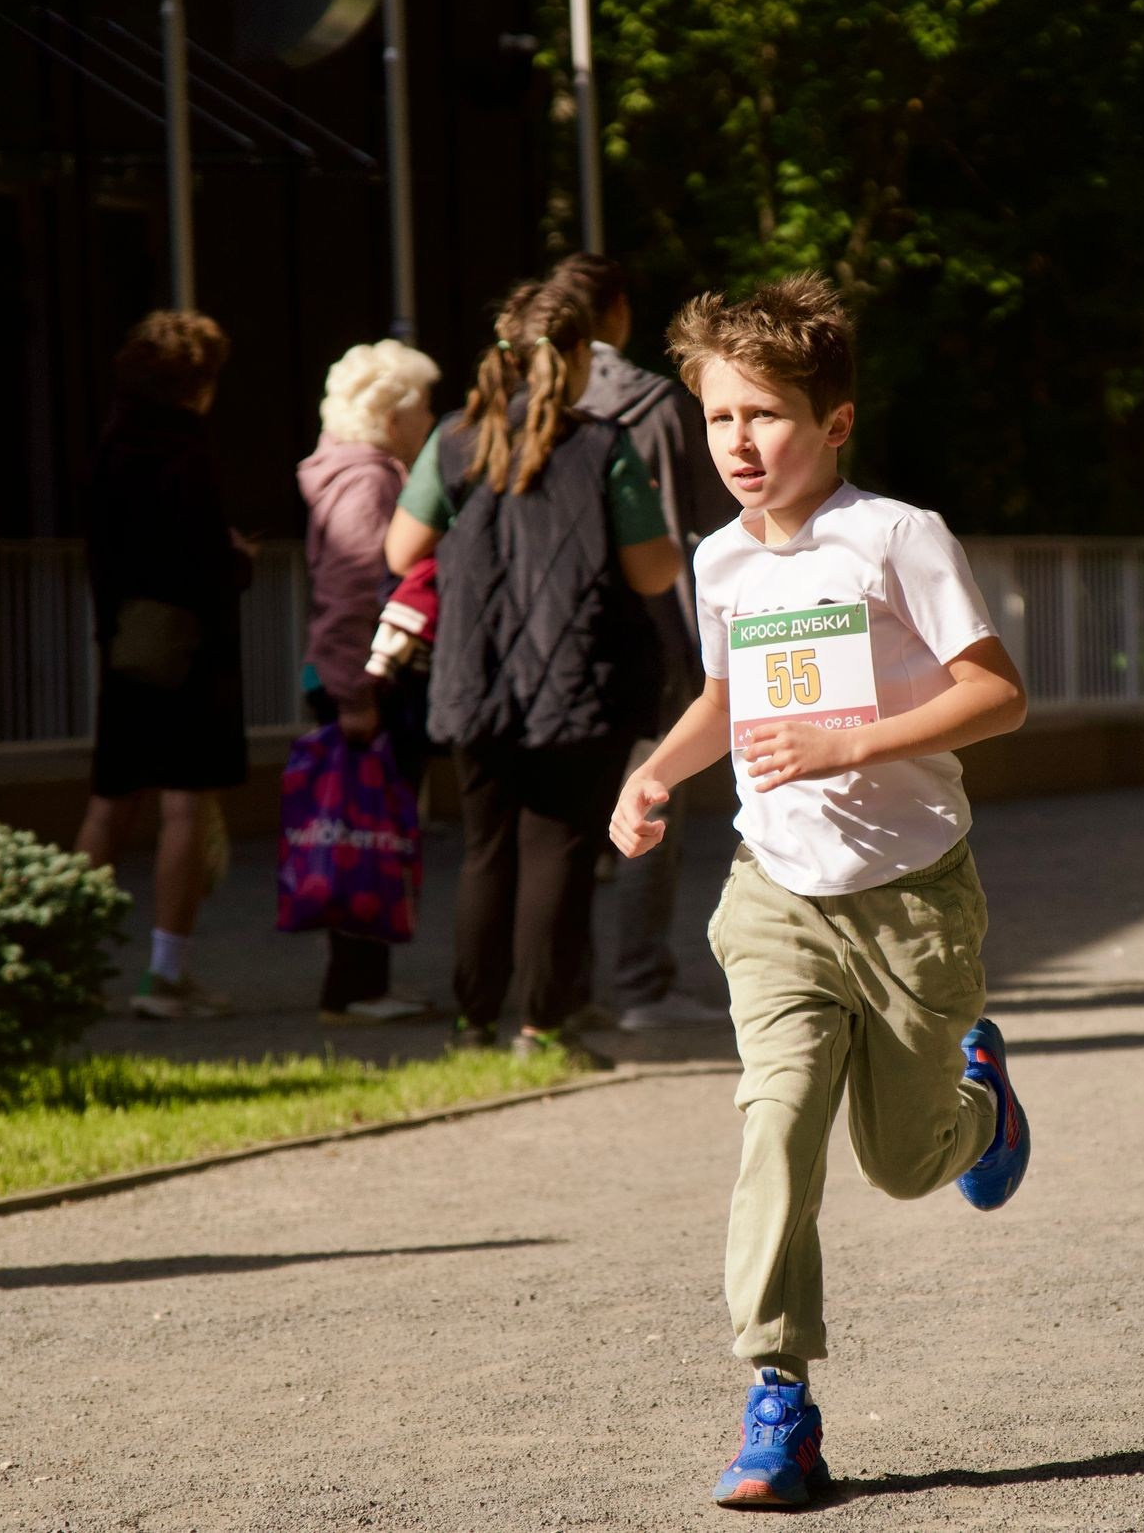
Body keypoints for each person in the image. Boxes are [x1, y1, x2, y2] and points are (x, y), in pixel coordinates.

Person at [607, 273, 1031, 1509]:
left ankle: (982, 1109)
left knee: (903, 1162)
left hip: (910, 896)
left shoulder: (896, 536)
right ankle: (777, 1398)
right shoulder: (719, 557)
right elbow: (724, 700)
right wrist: (655, 772)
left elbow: (997, 694)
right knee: (778, 1121)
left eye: (767, 415)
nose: (739, 442)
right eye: (719, 417)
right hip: (776, 891)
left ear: (833, 422)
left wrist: (852, 741)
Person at [391, 279, 683, 1066]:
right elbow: (655, 572)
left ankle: (472, 1027)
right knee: (558, 849)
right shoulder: (603, 446)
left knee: (486, 850)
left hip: (475, 673)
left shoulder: (456, 438)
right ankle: (542, 1029)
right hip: (579, 677)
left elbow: (400, 548)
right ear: (581, 354)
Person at [548, 252, 732, 1033]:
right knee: (650, 797)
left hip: (546, 635)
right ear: (618, 311)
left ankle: (554, 993)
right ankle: (641, 984)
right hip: (648, 628)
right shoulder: (654, 403)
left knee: (554, 819)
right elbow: (706, 515)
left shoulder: (520, 400)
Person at [75, 311, 251, 1020]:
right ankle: (165, 974)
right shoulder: (186, 449)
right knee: (184, 802)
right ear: (199, 381)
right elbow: (202, 558)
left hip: (126, 643)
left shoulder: (112, 443)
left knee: (110, 800)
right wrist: (238, 559)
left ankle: (65, 961)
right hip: (188, 648)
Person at [297, 339, 443, 1025]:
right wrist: (356, 697)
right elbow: (353, 592)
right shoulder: (369, 481)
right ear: (391, 416)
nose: (431, 421)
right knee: (366, 831)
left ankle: (363, 981)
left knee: (365, 827)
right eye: (424, 407)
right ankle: (354, 987)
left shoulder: (350, 470)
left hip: (348, 677)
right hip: (361, 682)